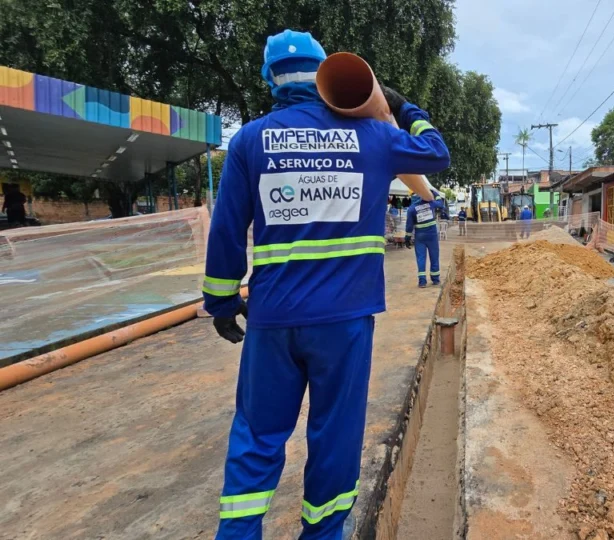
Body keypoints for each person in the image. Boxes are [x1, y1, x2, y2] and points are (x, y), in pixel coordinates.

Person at [202, 29, 449, 540]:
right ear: (323, 74)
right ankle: (324, 531)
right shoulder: (375, 138)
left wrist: (221, 301)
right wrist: (402, 106)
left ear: (270, 79)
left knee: (258, 435)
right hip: (345, 320)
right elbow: (435, 152)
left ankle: (240, 531)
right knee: (334, 433)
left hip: (273, 319)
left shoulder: (249, 140)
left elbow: (226, 230)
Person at [404, 190, 444, 287]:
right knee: (434, 256)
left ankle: (422, 282)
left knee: (421, 258)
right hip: (432, 235)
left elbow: (409, 226)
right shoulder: (430, 203)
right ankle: (435, 279)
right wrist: (433, 192)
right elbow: (441, 204)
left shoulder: (411, 209)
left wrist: (407, 238)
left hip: (420, 236)